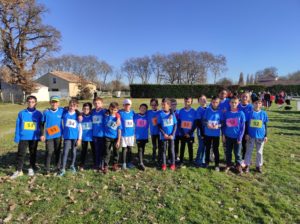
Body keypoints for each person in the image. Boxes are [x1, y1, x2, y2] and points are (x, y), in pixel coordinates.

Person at [11, 95, 43, 179]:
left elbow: (41, 125)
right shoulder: (22, 113)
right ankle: (19, 170)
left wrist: (40, 135)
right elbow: (18, 125)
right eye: (29, 102)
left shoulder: (39, 114)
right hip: (23, 137)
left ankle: (31, 168)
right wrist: (17, 136)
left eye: (32, 102)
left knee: (33, 153)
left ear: (35, 103)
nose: (31, 103)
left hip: (34, 137)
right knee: (21, 154)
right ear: (26, 102)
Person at [40, 96, 64, 175]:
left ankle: (58, 167)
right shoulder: (46, 112)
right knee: (49, 152)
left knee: (58, 152)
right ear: (50, 103)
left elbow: (72, 109)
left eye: (56, 102)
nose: (54, 104)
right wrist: (42, 134)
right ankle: (47, 168)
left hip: (58, 136)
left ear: (58, 103)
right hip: (49, 136)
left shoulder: (61, 111)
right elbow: (42, 124)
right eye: (53, 102)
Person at [223, 96, 246, 174]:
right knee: (228, 152)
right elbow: (224, 125)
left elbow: (243, 127)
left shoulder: (241, 113)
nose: (233, 104)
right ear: (229, 103)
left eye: (235, 102)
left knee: (238, 153)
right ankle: (228, 164)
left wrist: (240, 137)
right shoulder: (227, 113)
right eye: (232, 102)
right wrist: (224, 135)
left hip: (237, 138)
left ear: (238, 103)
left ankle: (238, 165)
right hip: (228, 137)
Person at [244, 99, 269, 173]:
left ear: (261, 104)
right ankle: (247, 165)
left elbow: (265, 125)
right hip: (251, 135)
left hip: (261, 136)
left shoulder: (264, 113)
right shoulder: (249, 113)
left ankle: (258, 166)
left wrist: (266, 135)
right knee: (249, 151)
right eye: (256, 103)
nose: (257, 105)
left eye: (259, 103)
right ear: (253, 104)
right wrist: (247, 133)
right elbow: (246, 124)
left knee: (259, 152)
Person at [59, 98, 82, 176]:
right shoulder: (65, 113)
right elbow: (59, 109)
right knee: (65, 152)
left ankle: (72, 165)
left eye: (74, 106)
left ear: (76, 107)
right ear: (69, 105)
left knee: (73, 151)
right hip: (66, 137)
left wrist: (79, 139)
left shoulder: (78, 115)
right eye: (71, 105)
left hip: (75, 137)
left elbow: (80, 127)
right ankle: (63, 168)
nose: (72, 107)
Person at [202, 96, 222, 171]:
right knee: (207, 148)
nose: (215, 104)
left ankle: (217, 164)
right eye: (213, 102)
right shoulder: (207, 110)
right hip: (208, 134)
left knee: (215, 149)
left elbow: (223, 122)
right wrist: (207, 124)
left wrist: (218, 125)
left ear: (218, 103)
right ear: (211, 102)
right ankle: (207, 163)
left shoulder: (220, 111)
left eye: (216, 102)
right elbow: (203, 121)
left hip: (216, 134)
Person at [157, 98, 177, 171]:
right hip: (163, 136)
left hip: (171, 136)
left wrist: (172, 134)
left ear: (169, 105)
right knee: (163, 151)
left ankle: (173, 164)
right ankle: (164, 164)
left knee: (171, 150)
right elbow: (158, 125)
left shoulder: (172, 114)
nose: (163, 106)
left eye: (164, 104)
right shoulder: (160, 114)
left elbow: (175, 124)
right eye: (162, 104)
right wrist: (164, 134)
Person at [103, 102, 122, 174]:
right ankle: (106, 166)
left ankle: (115, 164)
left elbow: (119, 130)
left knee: (116, 152)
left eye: (115, 110)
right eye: (111, 109)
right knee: (107, 152)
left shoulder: (118, 119)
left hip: (116, 138)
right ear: (109, 108)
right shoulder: (106, 115)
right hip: (107, 137)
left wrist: (118, 140)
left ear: (117, 110)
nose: (113, 111)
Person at [178, 97, 196, 165]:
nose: (186, 103)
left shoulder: (194, 111)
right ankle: (181, 160)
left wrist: (190, 133)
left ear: (191, 102)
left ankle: (191, 160)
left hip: (190, 134)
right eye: (185, 101)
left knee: (190, 147)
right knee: (182, 147)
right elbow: (179, 122)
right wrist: (183, 133)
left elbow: (195, 124)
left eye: (188, 102)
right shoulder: (181, 111)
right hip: (182, 133)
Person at [119, 99, 135, 170]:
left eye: (128, 105)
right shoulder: (120, 112)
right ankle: (124, 163)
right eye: (125, 105)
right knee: (124, 149)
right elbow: (114, 113)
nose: (127, 106)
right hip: (123, 134)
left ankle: (129, 162)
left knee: (130, 149)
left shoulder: (132, 113)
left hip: (131, 135)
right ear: (123, 105)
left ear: (130, 105)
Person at [79, 102, 95, 171]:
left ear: (90, 110)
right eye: (84, 109)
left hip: (92, 137)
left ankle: (95, 163)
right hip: (84, 137)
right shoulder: (81, 117)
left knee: (94, 151)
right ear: (82, 109)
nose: (86, 110)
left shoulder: (92, 116)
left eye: (87, 109)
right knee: (83, 151)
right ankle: (82, 164)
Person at [133, 103, 149, 171]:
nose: (143, 109)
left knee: (143, 148)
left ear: (146, 110)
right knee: (140, 149)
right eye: (141, 108)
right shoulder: (135, 116)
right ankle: (140, 163)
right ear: (139, 108)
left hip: (145, 136)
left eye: (144, 108)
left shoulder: (147, 116)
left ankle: (140, 159)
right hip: (138, 136)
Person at [238, 92, 253, 160]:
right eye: (243, 96)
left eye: (246, 96)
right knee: (238, 145)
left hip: (247, 128)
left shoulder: (251, 107)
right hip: (238, 127)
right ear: (241, 97)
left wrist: (247, 132)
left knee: (245, 145)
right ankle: (238, 159)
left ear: (249, 98)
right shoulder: (237, 105)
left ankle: (244, 160)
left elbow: (251, 120)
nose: (244, 98)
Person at [194, 95, 207, 167]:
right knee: (201, 146)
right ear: (199, 101)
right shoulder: (199, 110)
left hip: (208, 131)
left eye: (204, 99)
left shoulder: (209, 108)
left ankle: (203, 160)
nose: (203, 100)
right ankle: (198, 161)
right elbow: (198, 122)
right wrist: (202, 133)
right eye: (201, 99)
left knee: (205, 146)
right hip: (201, 132)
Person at [148, 98, 161, 162]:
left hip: (160, 132)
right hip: (153, 132)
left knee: (159, 146)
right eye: (152, 105)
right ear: (150, 105)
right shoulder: (148, 112)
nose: (153, 106)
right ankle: (153, 156)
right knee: (154, 146)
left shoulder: (160, 112)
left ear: (157, 105)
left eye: (155, 105)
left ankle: (159, 157)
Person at [170, 98, 180, 163]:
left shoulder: (179, 112)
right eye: (172, 104)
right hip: (170, 133)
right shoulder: (168, 112)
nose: (173, 106)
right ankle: (169, 157)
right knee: (170, 146)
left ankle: (176, 156)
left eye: (175, 104)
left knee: (176, 145)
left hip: (177, 132)